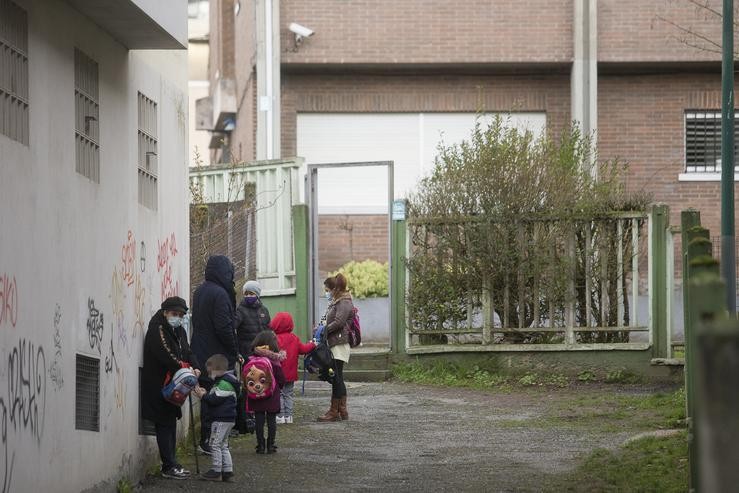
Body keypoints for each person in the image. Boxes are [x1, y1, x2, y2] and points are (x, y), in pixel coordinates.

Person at [141, 297, 201, 480]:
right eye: (175, 314)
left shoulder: (179, 330)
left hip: (175, 384)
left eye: (181, 315)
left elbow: (187, 350)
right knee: (163, 423)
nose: (178, 317)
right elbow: (165, 354)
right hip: (159, 383)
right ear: (165, 312)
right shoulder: (157, 329)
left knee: (171, 421)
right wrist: (184, 368)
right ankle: (168, 465)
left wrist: (195, 366)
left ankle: (172, 462)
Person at [191, 255, 239, 454]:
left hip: (200, 351)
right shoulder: (220, 294)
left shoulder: (200, 291)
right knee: (217, 396)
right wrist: (234, 349)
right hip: (217, 354)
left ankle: (206, 439)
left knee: (207, 397)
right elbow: (224, 327)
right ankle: (214, 441)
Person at [194, 354, 239, 482]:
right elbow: (216, 396)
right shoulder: (227, 382)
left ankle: (216, 470)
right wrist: (206, 393)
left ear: (217, 370)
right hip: (228, 419)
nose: (208, 375)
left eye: (209, 372)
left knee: (214, 444)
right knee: (223, 445)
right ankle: (228, 471)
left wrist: (203, 396)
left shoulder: (223, 383)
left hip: (220, 419)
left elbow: (214, 400)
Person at [317, 273, 354, 422]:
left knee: (337, 377)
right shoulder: (337, 302)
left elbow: (339, 322)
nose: (326, 292)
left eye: (327, 290)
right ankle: (340, 410)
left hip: (339, 344)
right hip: (335, 343)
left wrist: (323, 330)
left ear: (335, 288)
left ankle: (335, 411)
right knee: (337, 377)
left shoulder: (343, 302)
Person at [270, 312, 316, 424]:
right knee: (288, 394)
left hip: (277, 374)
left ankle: (280, 416)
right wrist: (313, 344)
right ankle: (289, 416)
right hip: (291, 373)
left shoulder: (274, 339)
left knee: (279, 394)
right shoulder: (294, 338)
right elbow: (304, 349)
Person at [245, 330, 285, 454]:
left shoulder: (251, 358)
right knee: (271, 420)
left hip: (255, 394)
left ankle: (260, 445)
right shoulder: (274, 360)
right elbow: (281, 378)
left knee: (259, 419)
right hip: (272, 394)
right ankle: (271, 445)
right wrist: (279, 387)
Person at [235, 280, 271, 358]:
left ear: (257, 294)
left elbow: (268, 330)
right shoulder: (240, 310)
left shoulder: (264, 310)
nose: (248, 296)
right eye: (246, 294)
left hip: (263, 351)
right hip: (247, 353)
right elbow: (233, 327)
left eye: (251, 294)